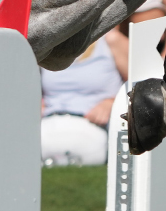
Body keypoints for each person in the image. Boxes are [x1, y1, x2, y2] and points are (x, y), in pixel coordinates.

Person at [40, 28, 129, 167]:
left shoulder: (111, 40)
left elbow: (141, 86)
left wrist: (113, 102)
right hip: (47, 126)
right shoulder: (49, 43)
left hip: (93, 128)